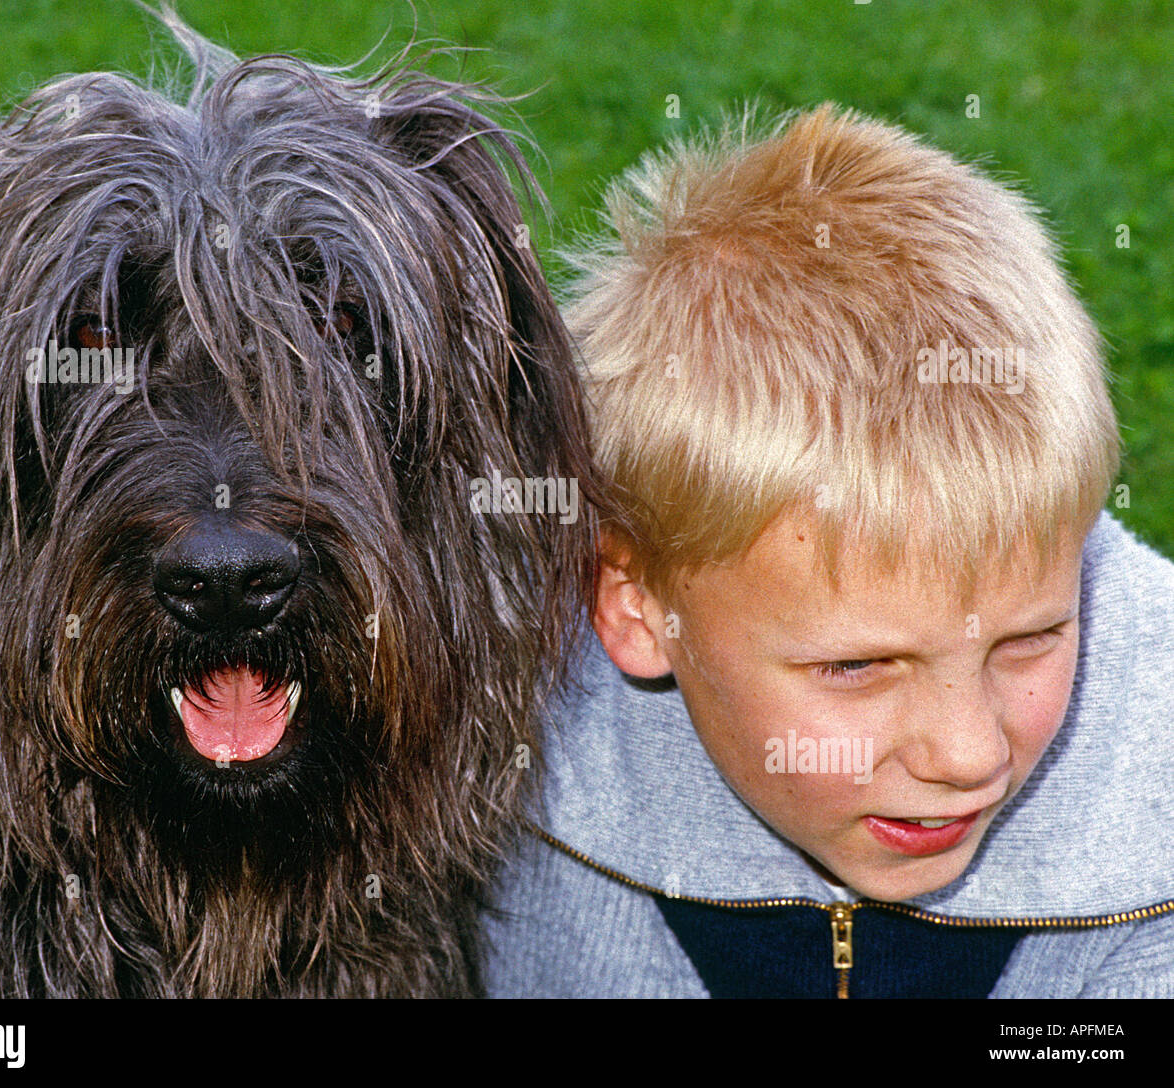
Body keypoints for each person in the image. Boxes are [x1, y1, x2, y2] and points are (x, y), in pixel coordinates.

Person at [482, 105, 1174, 997]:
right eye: (856, 665)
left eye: (1031, 639)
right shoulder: (498, 762)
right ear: (633, 605)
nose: (968, 755)